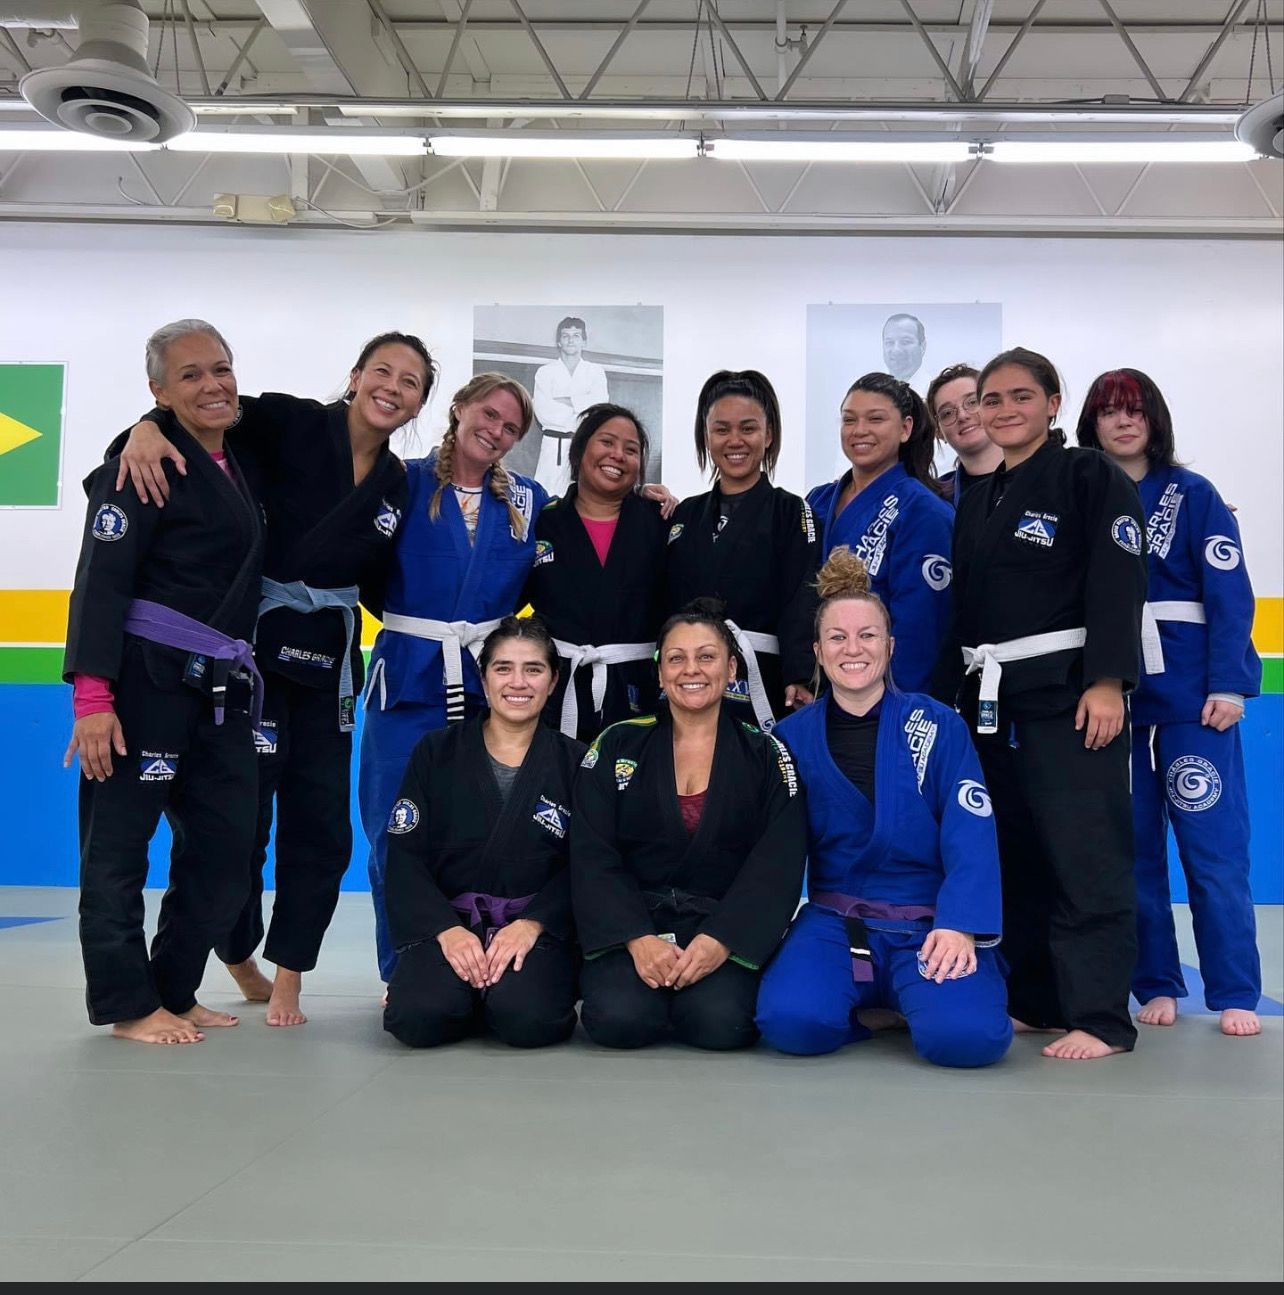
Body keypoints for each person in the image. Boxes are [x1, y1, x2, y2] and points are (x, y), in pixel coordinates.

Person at [112, 333, 434, 1026]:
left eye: (410, 382)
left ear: (418, 404)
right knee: (237, 822)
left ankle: (290, 974)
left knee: (321, 825)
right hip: (253, 650)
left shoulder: (395, 483)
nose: (393, 386)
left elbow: (380, 581)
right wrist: (143, 426)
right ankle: (234, 950)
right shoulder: (288, 419)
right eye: (383, 369)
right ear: (354, 376)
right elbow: (201, 412)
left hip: (332, 661)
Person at [934, 346, 1147, 1061]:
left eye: (1019, 396)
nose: (1002, 411)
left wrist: (1109, 679)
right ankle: (1038, 997)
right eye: (990, 400)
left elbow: (1119, 577)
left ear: (1053, 403)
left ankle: (1102, 1017)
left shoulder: (1089, 474)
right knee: (1017, 851)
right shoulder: (982, 493)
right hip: (994, 699)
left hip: (1071, 694)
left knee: (1086, 851)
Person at [63, 320, 264, 1045]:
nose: (212, 385)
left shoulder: (238, 458)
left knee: (229, 846)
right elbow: (100, 583)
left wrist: (149, 426)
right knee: (117, 849)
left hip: (220, 688)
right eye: (189, 376)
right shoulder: (136, 468)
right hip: (143, 681)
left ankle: (172, 987)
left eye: (221, 368)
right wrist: (92, 700)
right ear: (157, 390)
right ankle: (126, 1004)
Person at [756, 548, 1011, 1067]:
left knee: (968, 1039)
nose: (854, 649)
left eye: (868, 635)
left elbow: (971, 832)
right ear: (818, 651)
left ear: (890, 646)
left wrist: (960, 924)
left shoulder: (938, 725)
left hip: (929, 922)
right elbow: (766, 851)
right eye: (838, 637)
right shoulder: (788, 739)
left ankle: (906, 993)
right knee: (790, 1023)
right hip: (835, 918)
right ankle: (874, 999)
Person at [1076, 368, 1263, 1038]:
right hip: (1119, 698)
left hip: (1192, 700)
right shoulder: (1089, 495)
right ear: (1091, 423)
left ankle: (1235, 986)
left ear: (1154, 418)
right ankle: (1155, 979)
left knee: (1213, 848)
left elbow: (1230, 592)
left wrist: (1229, 682)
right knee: (1134, 853)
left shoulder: (1195, 494)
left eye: (1135, 410)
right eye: (1109, 412)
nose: (1124, 423)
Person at [361, 373, 547, 982]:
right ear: (459, 408)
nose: (496, 431)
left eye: (511, 428)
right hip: (408, 679)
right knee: (396, 827)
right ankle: (404, 968)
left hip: (485, 688)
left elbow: (584, 529)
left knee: (480, 831)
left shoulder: (526, 498)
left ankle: (482, 962)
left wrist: (652, 497)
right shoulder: (404, 480)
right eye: (488, 415)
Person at [572, 600, 808, 1050]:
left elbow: (777, 862)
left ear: (732, 667)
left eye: (706, 656)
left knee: (719, 1024)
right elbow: (591, 852)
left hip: (722, 923)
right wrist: (638, 939)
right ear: (659, 673)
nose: (690, 670)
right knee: (621, 1020)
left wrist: (721, 940)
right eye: (675, 658)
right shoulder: (618, 742)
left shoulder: (767, 754)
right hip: (636, 926)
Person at [382, 616, 583, 1048]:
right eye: (503, 668)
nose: (519, 682)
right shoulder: (436, 752)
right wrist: (446, 931)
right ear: (483, 676)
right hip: (451, 926)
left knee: (526, 1021)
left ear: (553, 681)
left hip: (532, 934)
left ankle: (497, 993)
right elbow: (404, 855)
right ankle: (464, 990)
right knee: (416, 1019)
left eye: (534, 669)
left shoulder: (577, 762)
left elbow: (590, 865)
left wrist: (533, 925)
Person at [665, 370, 820, 731]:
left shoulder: (792, 511)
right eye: (722, 430)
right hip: (689, 680)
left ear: (769, 436)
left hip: (760, 679)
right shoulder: (684, 514)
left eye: (748, 428)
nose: (735, 440)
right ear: (706, 437)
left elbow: (804, 595)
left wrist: (800, 674)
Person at [523, 403, 669, 742]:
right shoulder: (544, 521)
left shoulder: (659, 522)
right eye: (607, 442)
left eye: (631, 450)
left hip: (636, 695)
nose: (618, 455)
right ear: (580, 449)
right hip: (558, 693)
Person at [807, 373, 954, 694]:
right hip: (821, 688)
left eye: (875, 419)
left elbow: (920, 626)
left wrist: (894, 701)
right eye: (849, 420)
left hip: (886, 692)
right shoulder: (816, 501)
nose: (859, 431)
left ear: (905, 428)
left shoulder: (923, 511)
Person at [531, 316, 610, 496]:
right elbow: (544, 412)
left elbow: (599, 409)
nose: (570, 340)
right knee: (546, 497)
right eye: (566, 336)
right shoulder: (545, 372)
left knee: (583, 498)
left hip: (584, 445)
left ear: (584, 342)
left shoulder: (595, 372)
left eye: (576, 336)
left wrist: (563, 400)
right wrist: (583, 403)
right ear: (559, 342)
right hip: (553, 446)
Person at [927, 363, 1002, 505]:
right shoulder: (934, 500)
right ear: (938, 432)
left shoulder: (1044, 476)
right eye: (947, 413)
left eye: (972, 402)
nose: (962, 416)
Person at [882, 313, 926, 384]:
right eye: (890, 342)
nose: (896, 350)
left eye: (905, 342)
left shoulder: (934, 390)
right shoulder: (869, 389)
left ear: (923, 347)